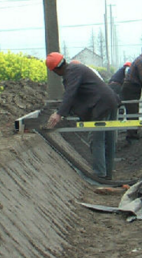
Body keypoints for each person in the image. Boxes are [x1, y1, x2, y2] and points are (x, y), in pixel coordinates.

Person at [45, 52, 119, 180]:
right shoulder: (75, 69)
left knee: (97, 141)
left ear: (56, 70)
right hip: (110, 102)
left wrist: (59, 114)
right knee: (108, 140)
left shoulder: (71, 72)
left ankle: (99, 175)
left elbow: (70, 94)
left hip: (101, 105)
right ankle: (107, 174)